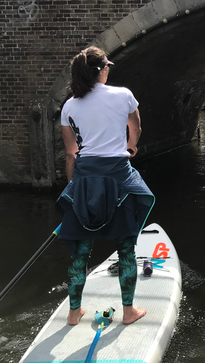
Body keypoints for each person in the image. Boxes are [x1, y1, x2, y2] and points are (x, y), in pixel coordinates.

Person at [57, 46, 155, 326]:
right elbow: (135, 127)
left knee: (80, 252)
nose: (109, 69)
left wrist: (75, 196)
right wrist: (131, 145)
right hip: (118, 180)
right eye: (107, 66)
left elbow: (71, 153)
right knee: (126, 248)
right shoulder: (123, 95)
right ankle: (128, 312)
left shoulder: (70, 106)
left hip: (85, 180)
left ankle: (74, 314)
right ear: (101, 70)